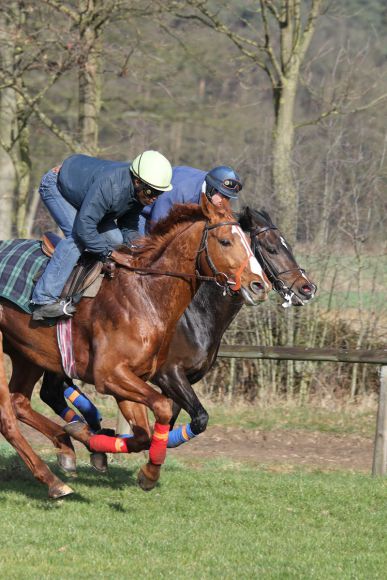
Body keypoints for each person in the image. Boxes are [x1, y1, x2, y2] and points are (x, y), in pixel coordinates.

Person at [31, 150, 173, 320]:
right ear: (137, 182)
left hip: (88, 199)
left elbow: (128, 227)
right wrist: (110, 254)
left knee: (116, 239)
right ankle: (43, 300)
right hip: (57, 189)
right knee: (77, 239)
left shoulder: (140, 193)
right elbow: (85, 228)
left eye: (159, 193)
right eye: (152, 192)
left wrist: (144, 249)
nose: (154, 198)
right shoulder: (112, 187)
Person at [138, 165, 243, 235]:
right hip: (143, 211)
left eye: (228, 198)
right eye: (223, 196)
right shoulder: (183, 191)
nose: (224, 202)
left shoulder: (210, 185)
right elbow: (157, 227)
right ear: (212, 189)